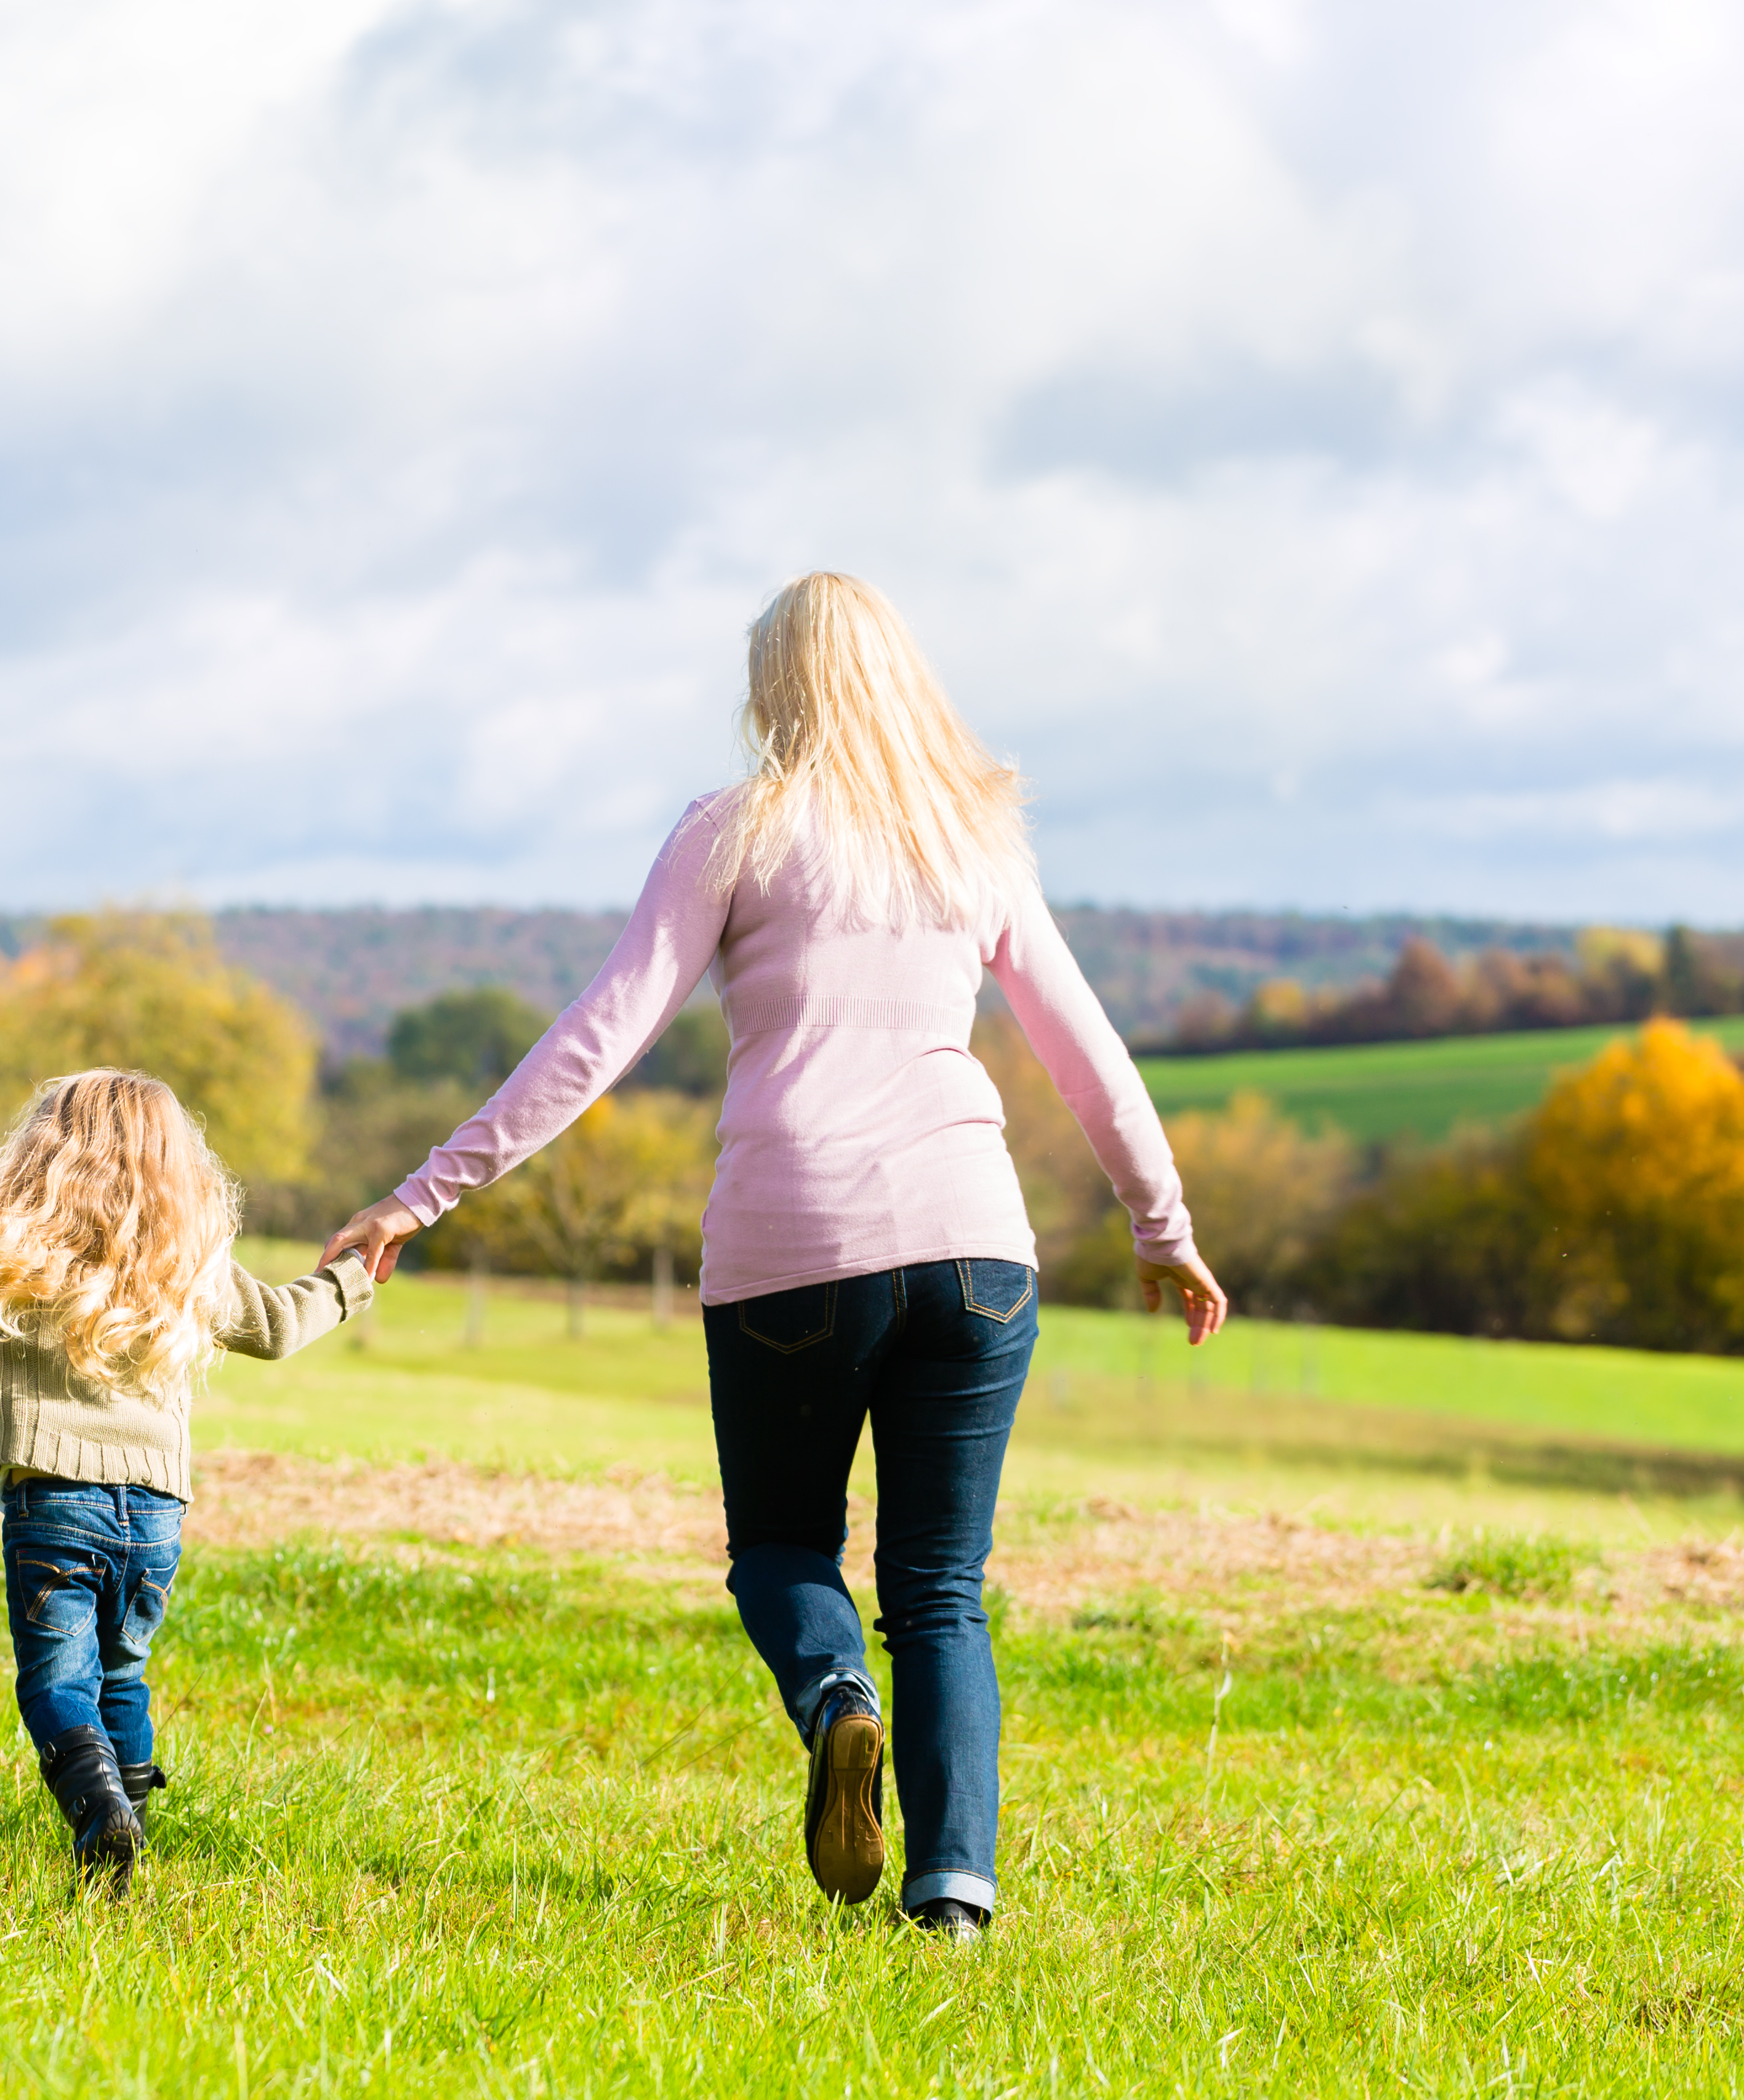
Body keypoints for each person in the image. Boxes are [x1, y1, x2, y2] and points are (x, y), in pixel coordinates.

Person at [325, 573, 1229, 1941]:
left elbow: (601, 1030)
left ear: (776, 688)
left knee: (785, 1547)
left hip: (791, 1248)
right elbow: (1087, 1054)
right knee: (940, 1585)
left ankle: (833, 1702)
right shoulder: (972, 843)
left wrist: (423, 1195)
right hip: (979, 1253)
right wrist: (1164, 1229)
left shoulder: (734, 830)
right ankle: (953, 1900)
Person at [0, 1071, 370, 1891]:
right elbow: (279, 1327)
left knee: (57, 1682)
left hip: (53, 1500)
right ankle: (121, 1855)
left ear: (44, 1155)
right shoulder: (190, 1259)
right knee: (122, 1674)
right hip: (158, 1514)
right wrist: (357, 1274)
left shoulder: (24, 1242)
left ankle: (99, 1813)